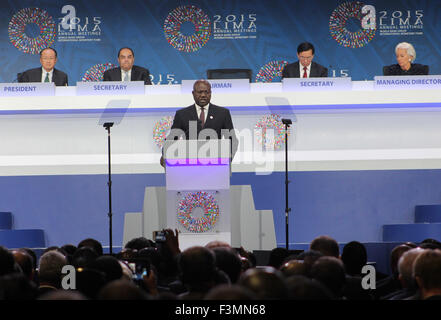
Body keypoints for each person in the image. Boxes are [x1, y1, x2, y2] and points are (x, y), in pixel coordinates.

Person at [161, 79, 238, 166]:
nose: (203, 95)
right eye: (200, 92)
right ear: (193, 94)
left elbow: (232, 140)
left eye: (207, 92)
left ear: (211, 93)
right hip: (189, 165)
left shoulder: (223, 113)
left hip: (215, 165)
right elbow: (172, 139)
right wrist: (164, 155)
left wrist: (227, 161)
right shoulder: (182, 114)